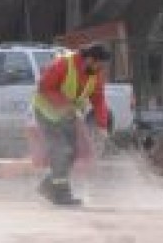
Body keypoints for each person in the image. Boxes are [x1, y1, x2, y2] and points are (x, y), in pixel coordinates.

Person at [32, 42, 112, 206]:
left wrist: (102, 126)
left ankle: (48, 186)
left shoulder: (95, 75)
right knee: (61, 151)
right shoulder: (63, 64)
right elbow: (43, 87)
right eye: (99, 64)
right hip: (46, 113)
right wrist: (65, 104)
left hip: (67, 116)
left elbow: (98, 100)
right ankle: (61, 194)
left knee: (72, 152)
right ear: (90, 59)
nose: (101, 69)